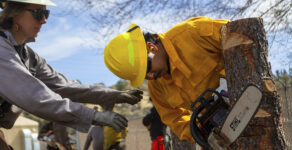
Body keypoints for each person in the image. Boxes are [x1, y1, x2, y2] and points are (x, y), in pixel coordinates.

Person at [0, 0, 143, 148]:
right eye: (38, 13)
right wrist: (93, 115)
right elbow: (33, 95)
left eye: (46, 13)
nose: (44, 20)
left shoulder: (30, 58)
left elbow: (65, 86)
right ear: (14, 13)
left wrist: (115, 95)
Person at [104, 16, 229, 143]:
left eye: (147, 68)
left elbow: (243, 36)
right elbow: (175, 119)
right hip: (227, 126)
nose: (151, 76)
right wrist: (203, 134)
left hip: (245, 93)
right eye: (144, 76)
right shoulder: (157, 87)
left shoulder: (193, 33)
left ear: (151, 47)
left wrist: (229, 83)